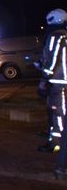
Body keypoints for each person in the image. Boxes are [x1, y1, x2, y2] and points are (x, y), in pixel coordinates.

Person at [37, 9, 67, 166]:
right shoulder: (63, 35)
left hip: (59, 82)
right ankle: (53, 136)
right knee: (54, 109)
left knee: (58, 112)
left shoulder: (57, 36)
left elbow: (53, 58)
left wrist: (45, 78)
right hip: (59, 80)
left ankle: (58, 143)